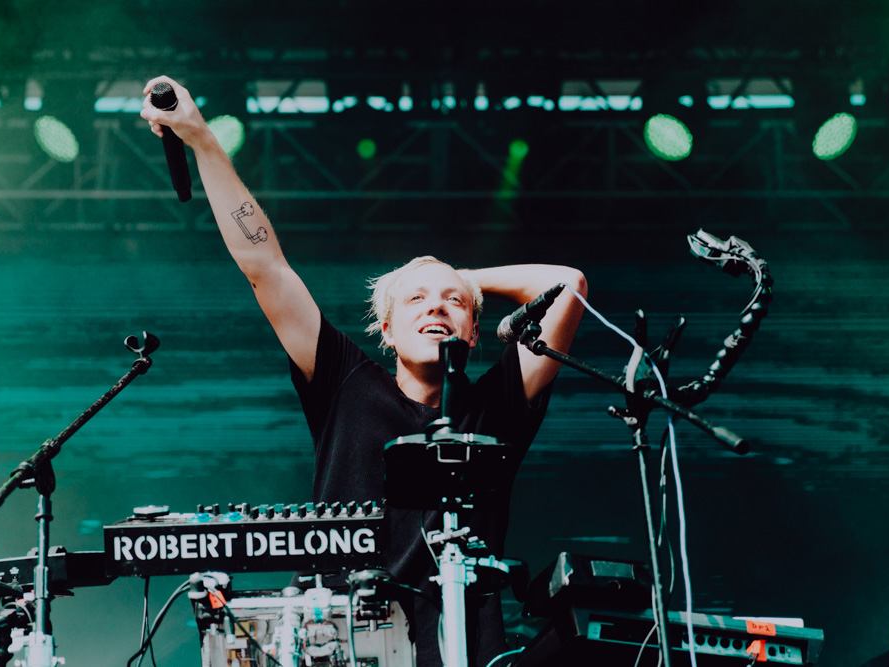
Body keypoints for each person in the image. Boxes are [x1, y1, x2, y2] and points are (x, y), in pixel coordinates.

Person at [141, 75, 588, 666]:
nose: (434, 307)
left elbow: (570, 288)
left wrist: (459, 279)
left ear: (475, 333)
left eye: (452, 305)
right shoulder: (345, 385)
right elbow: (264, 265)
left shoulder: (495, 407)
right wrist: (200, 140)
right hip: (336, 643)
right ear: (386, 331)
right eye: (415, 301)